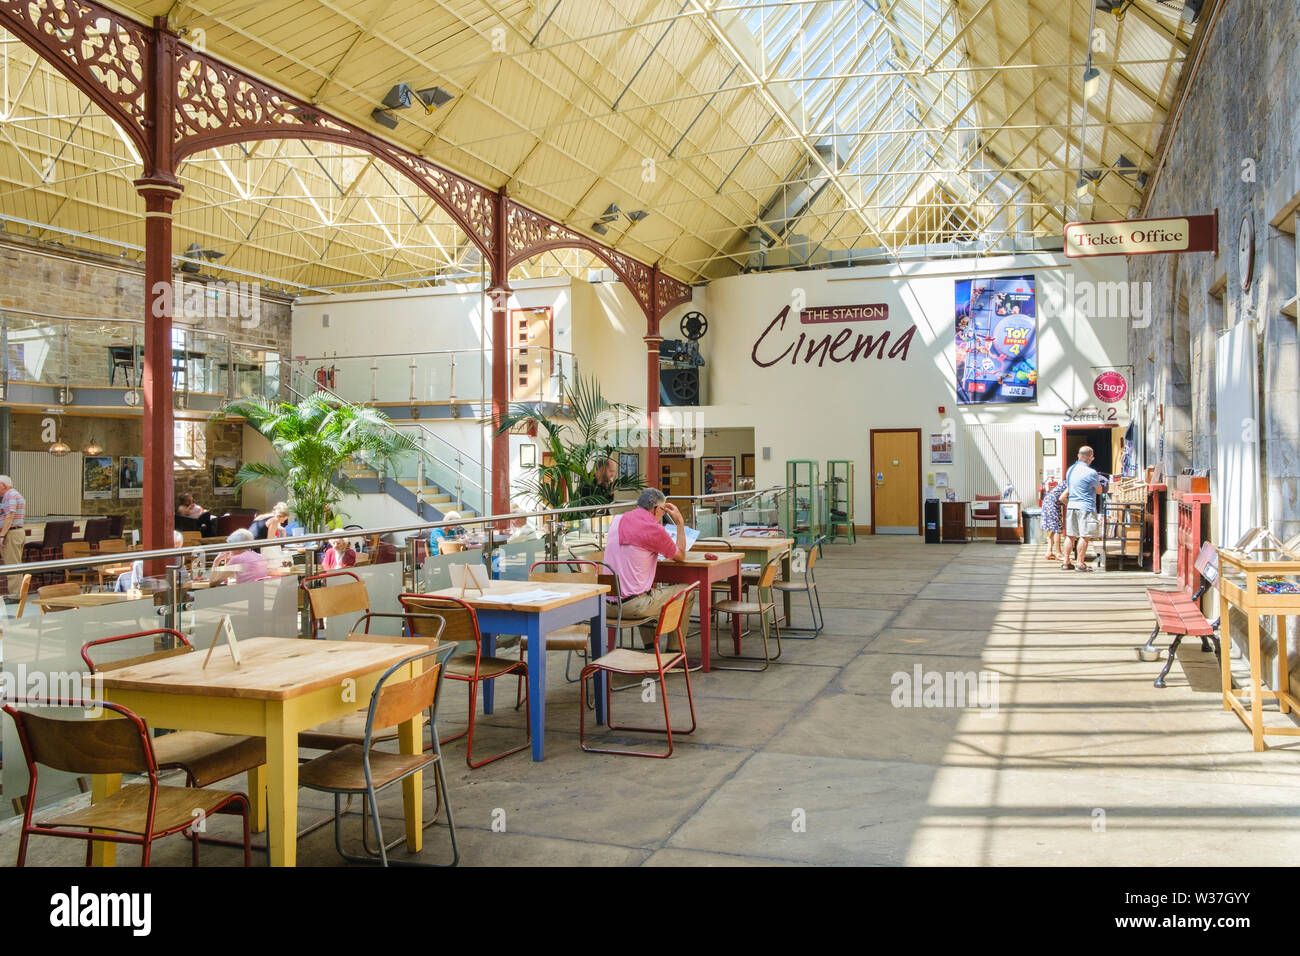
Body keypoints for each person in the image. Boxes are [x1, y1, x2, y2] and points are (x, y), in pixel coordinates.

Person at [604, 488, 689, 647]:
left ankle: (650, 647)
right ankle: (674, 652)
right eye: (663, 511)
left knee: (643, 589)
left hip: (606, 604)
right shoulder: (653, 529)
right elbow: (681, 556)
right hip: (632, 606)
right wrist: (679, 523)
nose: (663, 515)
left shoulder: (617, 520)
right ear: (657, 509)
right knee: (686, 592)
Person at [1062, 446, 1109, 572]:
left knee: (1070, 536)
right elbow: (1099, 491)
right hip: (1086, 507)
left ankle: (1066, 562)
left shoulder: (1070, 470)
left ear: (1078, 456)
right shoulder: (1091, 473)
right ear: (1091, 457)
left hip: (1071, 506)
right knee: (1085, 536)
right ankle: (1080, 563)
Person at [116, 531, 186, 592]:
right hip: (150, 599)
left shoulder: (178, 559)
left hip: (170, 597)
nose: (175, 552)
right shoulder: (141, 564)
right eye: (173, 548)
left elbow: (185, 582)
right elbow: (137, 590)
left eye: (177, 548)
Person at [0, 475, 25, 597]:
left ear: (2, 485)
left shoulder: (9, 495)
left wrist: (1, 535)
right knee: (15, 564)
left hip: (11, 534)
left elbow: (10, 516)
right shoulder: (13, 494)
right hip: (16, 532)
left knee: (12, 565)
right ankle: (17, 593)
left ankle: (15, 595)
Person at [1040, 478, 1067, 563]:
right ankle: (1059, 553)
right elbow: (1062, 498)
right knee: (1057, 529)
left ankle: (1049, 551)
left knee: (1052, 528)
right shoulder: (1072, 483)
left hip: (1047, 501)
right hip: (1052, 504)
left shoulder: (1067, 481)